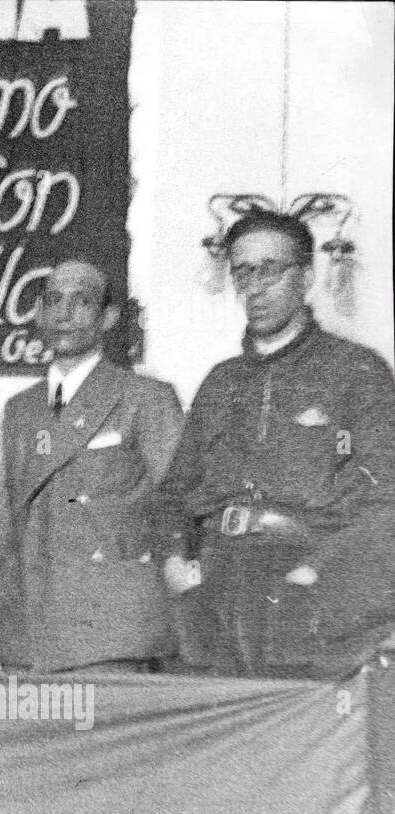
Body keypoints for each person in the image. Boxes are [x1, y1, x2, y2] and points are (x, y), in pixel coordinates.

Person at [152, 208, 395, 677]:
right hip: (217, 594)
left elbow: (384, 495)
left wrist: (318, 572)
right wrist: (175, 561)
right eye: (243, 271)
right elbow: (174, 493)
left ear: (305, 278)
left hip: (310, 591)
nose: (255, 286)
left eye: (270, 270)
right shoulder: (221, 382)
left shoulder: (357, 372)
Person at [0, 259, 184, 673]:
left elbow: (174, 506)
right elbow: (13, 517)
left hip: (107, 626)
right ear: (38, 313)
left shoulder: (144, 398)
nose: (62, 314)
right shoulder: (21, 409)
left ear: (108, 317)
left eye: (81, 302)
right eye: (52, 300)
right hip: (27, 620)